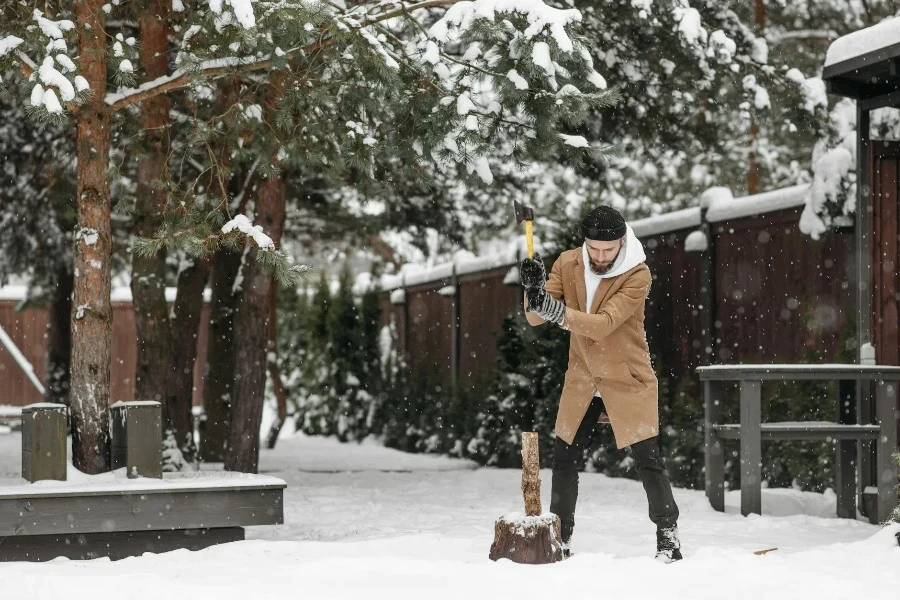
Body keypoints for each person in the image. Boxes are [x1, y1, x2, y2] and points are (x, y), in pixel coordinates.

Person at [519, 205, 681, 563]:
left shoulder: (637, 274)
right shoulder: (567, 263)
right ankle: (560, 539)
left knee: (648, 461)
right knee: (564, 460)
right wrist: (532, 289)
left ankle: (668, 537)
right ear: (585, 243)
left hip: (627, 377)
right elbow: (533, 318)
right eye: (594, 248)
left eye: (608, 249)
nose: (601, 256)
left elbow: (604, 324)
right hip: (582, 378)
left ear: (622, 241)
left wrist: (554, 310)